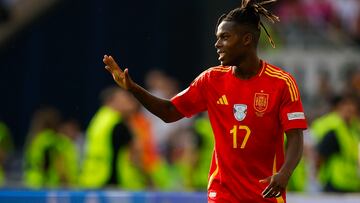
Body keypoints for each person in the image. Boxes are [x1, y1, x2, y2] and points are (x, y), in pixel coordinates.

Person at [103, 0, 307, 202]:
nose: (217, 44)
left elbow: (295, 137)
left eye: (225, 37)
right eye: (217, 38)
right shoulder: (211, 80)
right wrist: (133, 89)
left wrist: (284, 174)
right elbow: (169, 111)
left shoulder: (281, 83)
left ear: (246, 39)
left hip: (264, 195)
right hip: (223, 194)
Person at [311, 94, 360, 192]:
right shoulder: (334, 131)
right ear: (338, 108)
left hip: (352, 183)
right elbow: (321, 157)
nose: (349, 109)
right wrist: (316, 178)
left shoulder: (354, 130)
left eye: (352, 106)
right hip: (335, 182)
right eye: (346, 105)